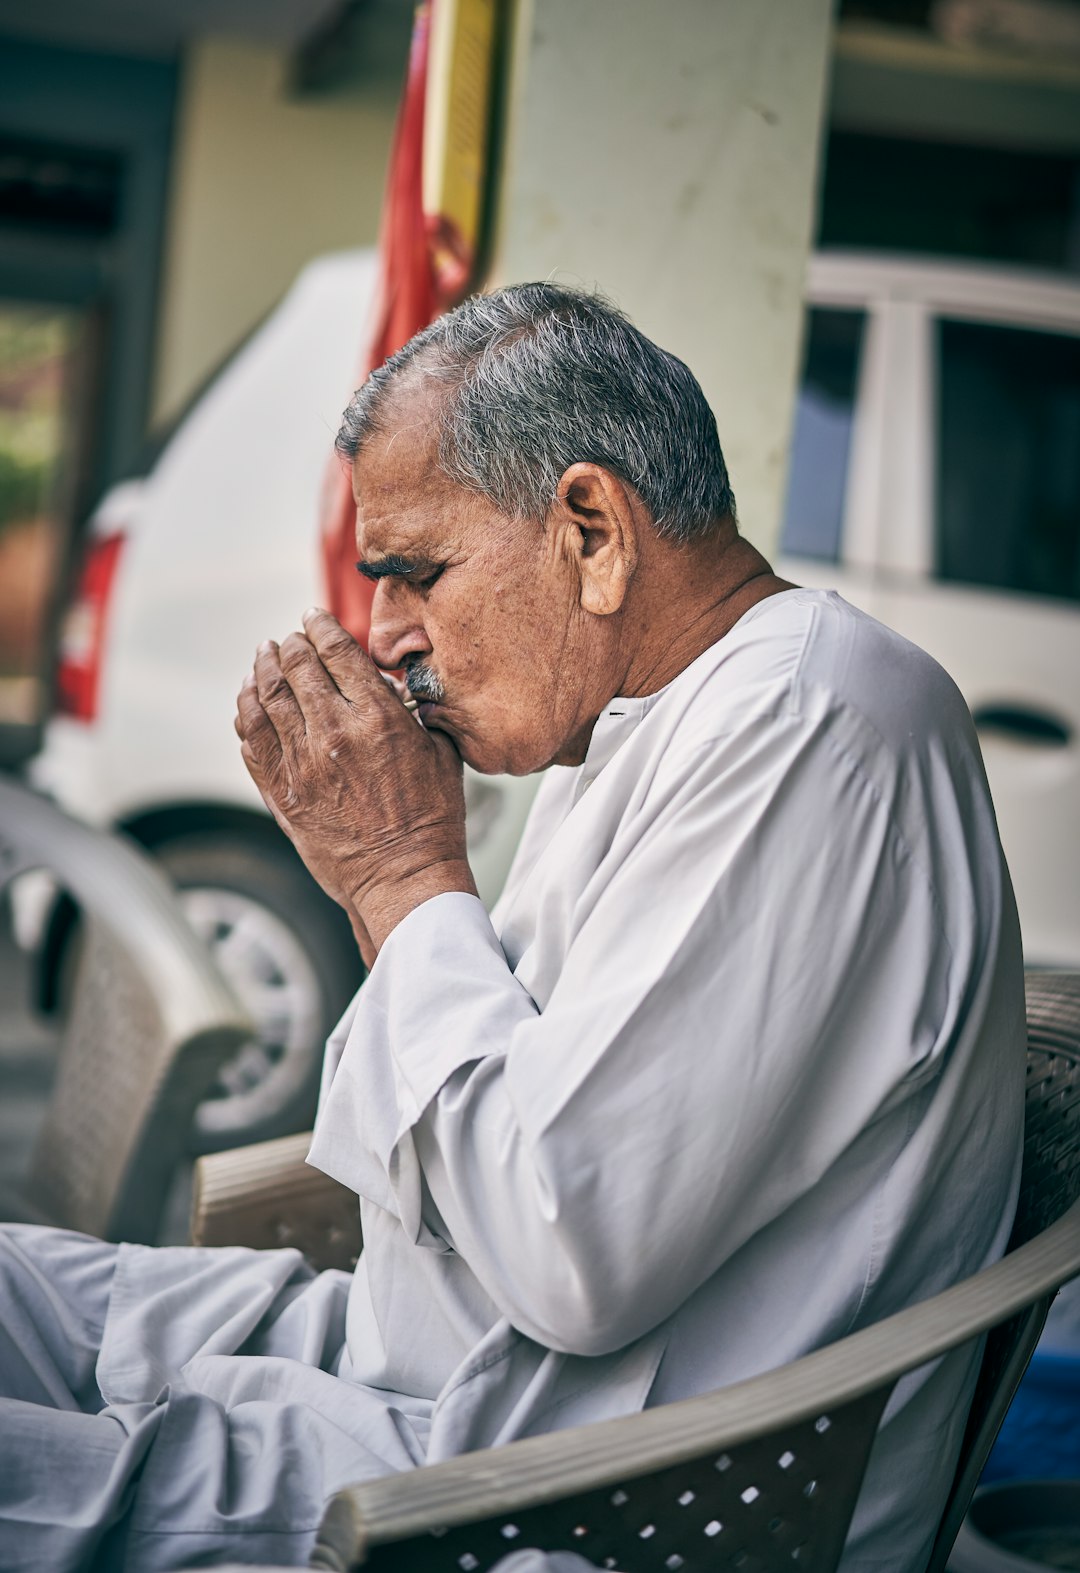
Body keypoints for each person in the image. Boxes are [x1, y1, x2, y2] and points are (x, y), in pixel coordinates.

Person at [0, 283, 1024, 1572]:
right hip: (405, 1361)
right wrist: (395, 884)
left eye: (417, 574)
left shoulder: (808, 718)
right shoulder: (633, 727)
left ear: (591, 529)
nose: (388, 635)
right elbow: (429, 1168)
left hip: (549, 1485)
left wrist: (402, 877)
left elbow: (567, 1252)